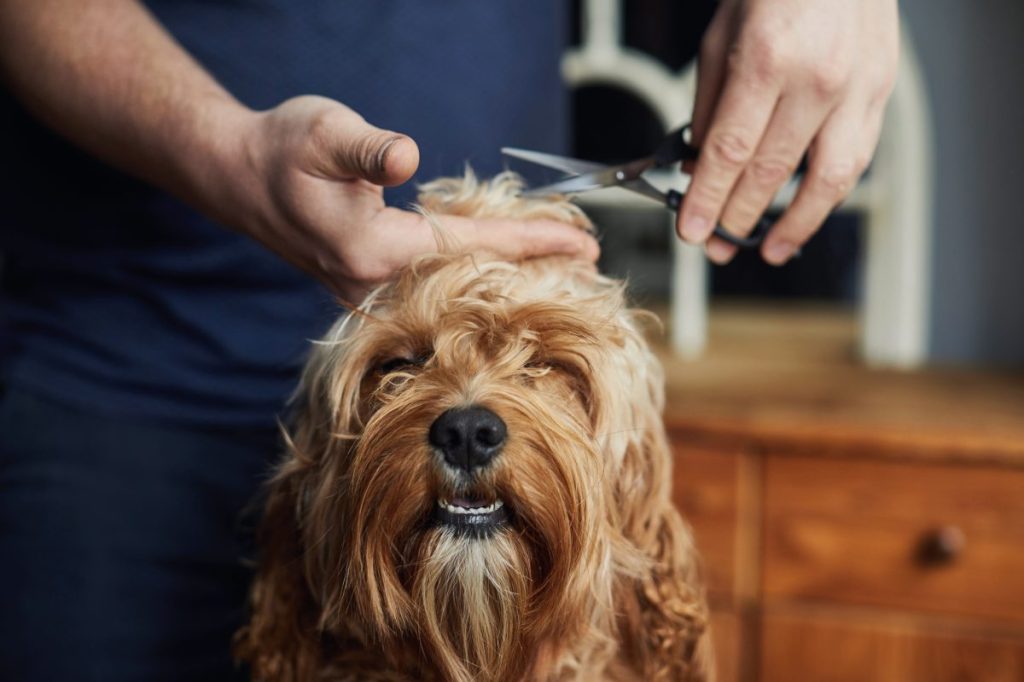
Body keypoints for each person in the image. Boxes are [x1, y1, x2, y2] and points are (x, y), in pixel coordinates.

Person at [0, 1, 898, 680]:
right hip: (121, 372)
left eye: (545, 368)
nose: (469, 414)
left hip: (502, 260)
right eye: (403, 370)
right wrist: (226, 150)